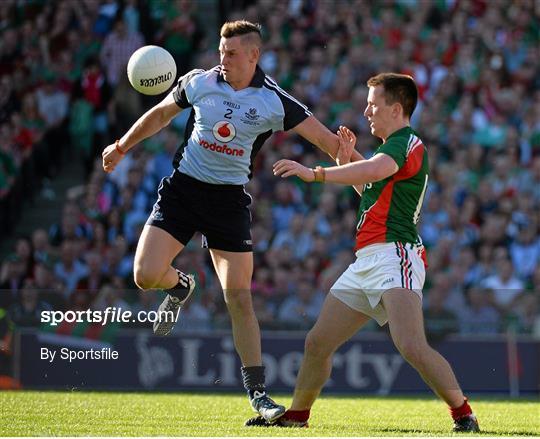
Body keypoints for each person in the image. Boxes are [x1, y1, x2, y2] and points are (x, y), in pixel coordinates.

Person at [102, 20, 360, 422]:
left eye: (232, 53)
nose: (223, 59)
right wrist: (121, 146)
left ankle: (258, 394)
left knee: (238, 296)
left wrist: (351, 162)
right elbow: (160, 115)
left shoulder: (274, 101)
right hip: (183, 191)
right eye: (221, 51)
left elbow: (328, 144)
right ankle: (181, 285)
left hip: (227, 202)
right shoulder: (201, 82)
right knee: (145, 275)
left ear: (254, 55)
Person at [246, 73, 480, 433]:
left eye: (373, 103)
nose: (366, 110)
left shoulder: (408, 143)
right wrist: (345, 160)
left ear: (396, 108)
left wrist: (316, 173)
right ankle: (297, 416)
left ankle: (463, 413)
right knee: (317, 342)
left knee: (411, 346)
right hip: (368, 260)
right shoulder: (390, 149)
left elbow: (374, 169)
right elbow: (369, 186)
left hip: (396, 256)